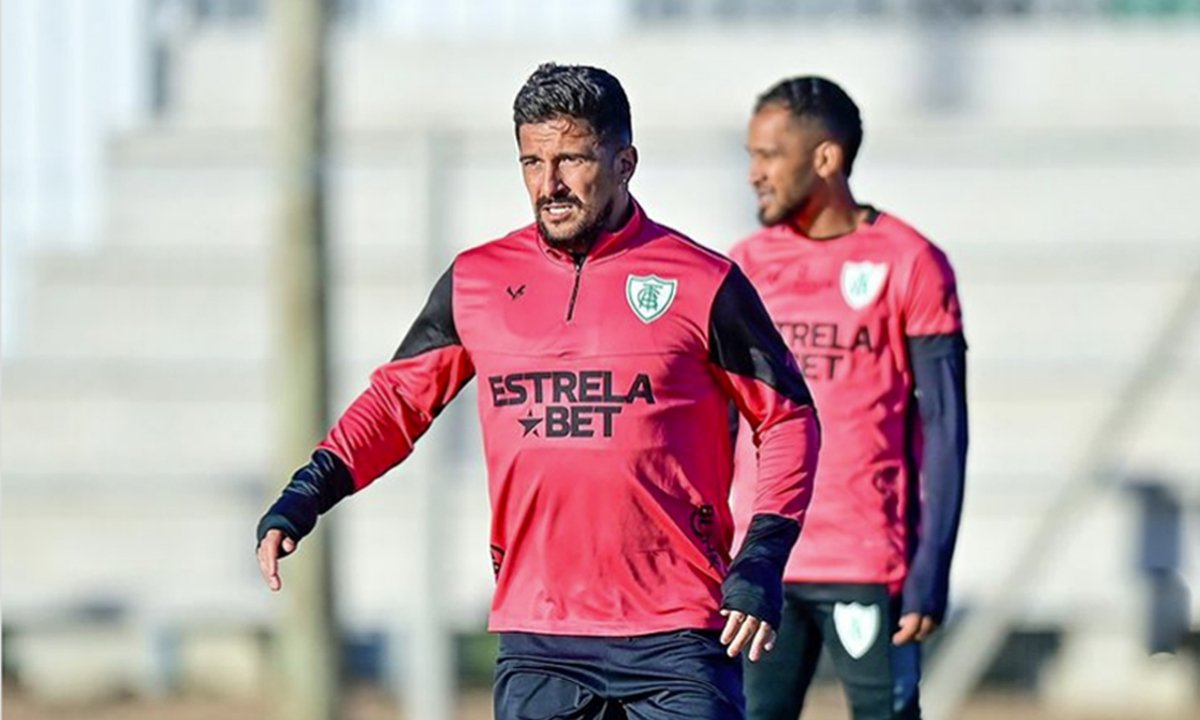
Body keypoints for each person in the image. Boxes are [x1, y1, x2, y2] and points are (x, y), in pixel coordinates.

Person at [256, 63, 821, 720]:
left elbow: (787, 419)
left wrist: (761, 560)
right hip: (540, 637)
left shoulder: (703, 281)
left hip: (676, 634)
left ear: (624, 162)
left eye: (572, 159)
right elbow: (397, 402)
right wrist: (306, 494)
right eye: (531, 162)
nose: (548, 184)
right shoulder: (477, 281)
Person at [728, 76, 969, 720]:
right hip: (764, 564)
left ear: (825, 159)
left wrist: (932, 567)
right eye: (751, 155)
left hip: (869, 562)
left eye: (769, 155)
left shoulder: (912, 262)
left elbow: (945, 426)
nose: (753, 172)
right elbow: (717, 418)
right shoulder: (743, 267)